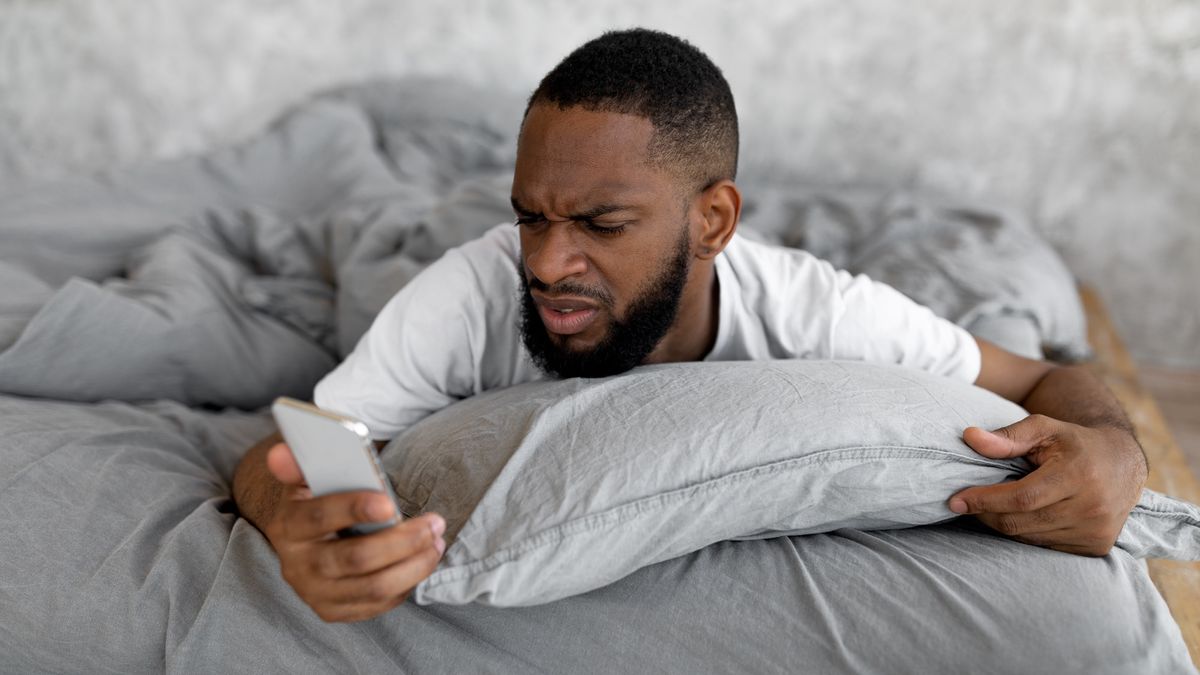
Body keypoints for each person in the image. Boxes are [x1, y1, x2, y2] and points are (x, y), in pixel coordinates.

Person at [232, 28, 1148, 623]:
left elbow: (1035, 379)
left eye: (601, 224)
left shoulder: (812, 308)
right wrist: (295, 518)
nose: (548, 262)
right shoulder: (467, 291)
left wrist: (1115, 446)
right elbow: (301, 439)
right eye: (530, 215)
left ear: (712, 222)